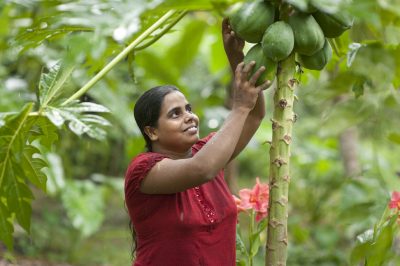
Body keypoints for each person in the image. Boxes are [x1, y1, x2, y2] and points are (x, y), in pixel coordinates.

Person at [124, 18, 270, 266]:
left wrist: (236, 57)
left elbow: (254, 114)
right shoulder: (144, 170)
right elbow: (203, 169)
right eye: (175, 114)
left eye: (188, 109)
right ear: (152, 132)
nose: (189, 116)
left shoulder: (208, 151)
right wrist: (239, 106)